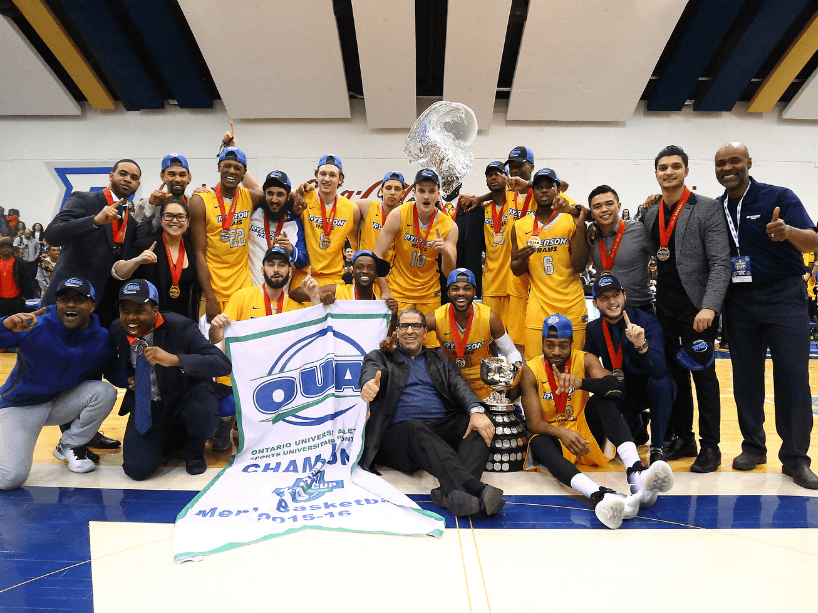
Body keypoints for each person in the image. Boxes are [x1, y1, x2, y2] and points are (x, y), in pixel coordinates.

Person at [714, 142, 818, 489]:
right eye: (721, 164)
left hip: (783, 297)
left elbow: (812, 242)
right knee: (745, 376)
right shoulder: (716, 210)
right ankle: (754, 448)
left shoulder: (779, 197)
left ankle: (795, 458)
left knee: (792, 375)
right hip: (739, 301)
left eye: (734, 161)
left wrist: (788, 232)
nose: (728, 168)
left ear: (748, 163)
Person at [519, 313, 674, 529]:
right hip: (555, 438)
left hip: (584, 435)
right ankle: (599, 495)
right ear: (542, 342)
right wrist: (562, 433)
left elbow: (615, 388)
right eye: (550, 345)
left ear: (572, 344)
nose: (556, 352)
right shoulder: (530, 369)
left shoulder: (584, 359)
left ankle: (636, 473)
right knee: (537, 440)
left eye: (562, 346)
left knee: (602, 402)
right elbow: (534, 423)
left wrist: (581, 382)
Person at [359, 307, 504, 517]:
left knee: (480, 420)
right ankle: (475, 488)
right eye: (404, 326)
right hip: (398, 439)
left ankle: (451, 493)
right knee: (415, 427)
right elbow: (369, 372)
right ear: (396, 332)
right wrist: (368, 384)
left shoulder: (440, 360)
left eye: (416, 326)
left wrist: (475, 410)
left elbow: (460, 386)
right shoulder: (381, 357)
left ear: (425, 332)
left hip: (436, 433)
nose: (410, 331)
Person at [641, 145, 730, 473]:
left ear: (686, 171)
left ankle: (711, 447)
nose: (668, 172)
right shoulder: (651, 213)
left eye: (675, 166)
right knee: (674, 376)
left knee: (704, 377)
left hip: (697, 311)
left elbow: (721, 262)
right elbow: (651, 249)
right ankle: (684, 437)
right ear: (656, 173)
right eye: (662, 167)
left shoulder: (707, 209)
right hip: (664, 310)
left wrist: (710, 307)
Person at [0, 278, 121, 489]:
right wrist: (3, 325)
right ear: (57, 304)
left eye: (79, 299)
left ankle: (69, 445)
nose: (71, 304)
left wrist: (136, 379)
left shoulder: (101, 338)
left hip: (60, 405)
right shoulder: (35, 325)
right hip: (21, 406)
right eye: (64, 299)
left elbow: (114, 372)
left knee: (104, 392)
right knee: (11, 478)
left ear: (92, 306)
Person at [110, 279, 232, 479]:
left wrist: (174, 360)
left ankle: (194, 450)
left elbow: (221, 363)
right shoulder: (117, 329)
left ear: (155, 311)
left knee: (202, 407)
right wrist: (127, 378)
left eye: (139, 310)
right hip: (148, 404)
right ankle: (168, 440)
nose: (131, 317)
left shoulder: (180, 326)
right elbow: (109, 366)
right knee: (136, 470)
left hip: (186, 397)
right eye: (125, 310)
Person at [208, 246, 322, 451]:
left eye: (281, 265)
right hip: (240, 377)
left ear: (290, 270)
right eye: (271, 264)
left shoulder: (295, 308)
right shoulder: (242, 297)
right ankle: (224, 426)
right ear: (262, 269)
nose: (276, 269)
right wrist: (216, 326)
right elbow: (218, 340)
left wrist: (314, 297)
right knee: (225, 406)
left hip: (277, 379)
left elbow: (316, 334)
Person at [584, 275, 676, 464]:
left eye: (616, 295)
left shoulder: (647, 321)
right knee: (596, 412)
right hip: (621, 390)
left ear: (624, 296)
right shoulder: (593, 329)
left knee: (661, 383)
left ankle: (658, 447)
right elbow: (587, 361)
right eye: (604, 298)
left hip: (648, 386)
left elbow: (658, 370)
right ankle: (638, 424)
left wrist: (641, 345)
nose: (612, 302)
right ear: (595, 303)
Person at [43, 159, 142, 328]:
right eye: (123, 174)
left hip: (102, 307)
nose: (128, 179)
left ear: (137, 184)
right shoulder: (84, 199)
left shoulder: (131, 223)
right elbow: (53, 234)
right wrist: (95, 221)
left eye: (133, 177)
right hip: (68, 297)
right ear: (111, 176)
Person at [510, 168, 589, 359]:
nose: (544, 191)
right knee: (535, 368)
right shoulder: (519, 226)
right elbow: (516, 270)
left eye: (549, 187)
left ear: (558, 191)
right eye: (539, 187)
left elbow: (579, 266)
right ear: (533, 192)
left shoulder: (571, 219)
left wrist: (580, 228)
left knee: (575, 366)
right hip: (539, 306)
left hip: (571, 304)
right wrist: (523, 258)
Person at [374, 169, 458, 347]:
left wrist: (446, 252)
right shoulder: (398, 215)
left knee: (429, 350)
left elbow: (449, 272)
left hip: (429, 294)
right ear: (414, 193)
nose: (426, 196)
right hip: (399, 291)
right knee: (396, 346)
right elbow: (377, 255)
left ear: (438, 194)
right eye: (421, 191)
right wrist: (385, 291)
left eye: (431, 191)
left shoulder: (449, 226)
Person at [189, 147, 264, 321]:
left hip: (242, 288)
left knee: (243, 342)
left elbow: (278, 196)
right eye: (227, 166)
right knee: (212, 345)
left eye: (238, 168)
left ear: (244, 173)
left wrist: (301, 193)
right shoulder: (200, 201)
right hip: (213, 289)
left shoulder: (250, 197)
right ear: (219, 167)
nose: (231, 171)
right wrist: (210, 296)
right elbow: (199, 253)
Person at [426, 268, 522, 399]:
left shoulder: (490, 318)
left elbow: (511, 352)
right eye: (455, 288)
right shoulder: (435, 318)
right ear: (448, 292)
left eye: (467, 288)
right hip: (451, 384)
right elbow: (409, 337)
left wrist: (512, 379)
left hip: (485, 385)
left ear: (474, 292)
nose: (461, 293)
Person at [113, 199, 201, 321]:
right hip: (151, 321)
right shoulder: (146, 245)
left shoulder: (193, 248)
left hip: (185, 321)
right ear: (160, 219)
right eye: (169, 216)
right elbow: (118, 272)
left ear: (188, 221)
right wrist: (137, 261)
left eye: (180, 217)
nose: (174, 220)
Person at [290, 155, 360, 289]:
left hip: (335, 279)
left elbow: (356, 244)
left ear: (340, 179)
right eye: (323, 174)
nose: (326, 179)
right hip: (304, 276)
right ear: (316, 176)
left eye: (332, 175)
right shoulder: (303, 198)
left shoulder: (352, 209)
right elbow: (277, 194)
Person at [587, 185, 654, 313]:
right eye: (597, 206)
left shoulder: (640, 230)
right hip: (608, 313)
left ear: (619, 206)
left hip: (641, 311)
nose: (604, 209)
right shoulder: (590, 236)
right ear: (591, 213)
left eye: (609, 204)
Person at [248, 170, 307, 288]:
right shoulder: (252, 214)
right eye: (270, 193)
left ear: (288, 197)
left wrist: (291, 249)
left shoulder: (294, 222)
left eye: (280, 194)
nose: (274, 200)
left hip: (280, 296)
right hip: (251, 293)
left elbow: (303, 260)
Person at [479, 162, 515, 327]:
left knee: (514, 334)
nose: (493, 177)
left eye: (498, 173)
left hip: (512, 283)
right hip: (490, 283)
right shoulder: (483, 209)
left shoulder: (517, 204)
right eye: (489, 175)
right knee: (489, 331)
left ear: (507, 177)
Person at [133, 153, 194, 227]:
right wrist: (151, 207)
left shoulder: (194, 204)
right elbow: (137, 234)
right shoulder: (145, 204)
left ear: (189, 178)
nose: (177, 179)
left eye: (182, 175)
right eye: (172, 174)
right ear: (163, 176)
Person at [357, 171, 405, 262]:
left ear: (403, 193)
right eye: (388, 188)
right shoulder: (366, 206)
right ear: (382, 191)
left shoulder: (405, 215)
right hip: (367, 269)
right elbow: (341, 207)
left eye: (397, 189)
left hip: (391, 272)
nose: (392, 193)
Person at [0, 237, 32, 317]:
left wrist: (24, 298)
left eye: (8, 247)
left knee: (19, 323)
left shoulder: (21, 264)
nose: (6, 249)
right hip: (1, 300)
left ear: (12, 249)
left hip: (17, 299)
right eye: (3, 247)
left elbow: (27, 281)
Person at [14, 229, 40, 295]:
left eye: (29, 233)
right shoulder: (19, 239)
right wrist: (22, 247)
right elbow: (14, 247)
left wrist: (35, 257)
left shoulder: (35, 241)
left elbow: (38, 250)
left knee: (33, 277)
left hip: (32, 262)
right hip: (22, 262)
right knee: (23, 278)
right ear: (24, 233)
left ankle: (33, 291)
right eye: (26, 233)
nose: (27, 235)